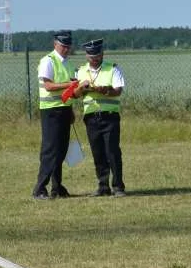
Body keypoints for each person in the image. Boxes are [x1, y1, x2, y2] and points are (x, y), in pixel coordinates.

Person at [73, 39, 126, 197]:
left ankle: (118, 187)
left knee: (112, 152)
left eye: (97, 56)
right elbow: (74, 94)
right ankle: (103, 186)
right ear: (86, 56)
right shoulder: (80, 71)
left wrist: (105, 90)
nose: (95, 59)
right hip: (91, 118)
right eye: (91, 56)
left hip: (109, 117)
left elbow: (118, 91)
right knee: (98, 153)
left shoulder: (113, 69)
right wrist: (81, 89)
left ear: (102, 54)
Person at [33, 30, 76, 200]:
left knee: (61, 150)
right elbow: (49, 86)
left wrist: (71, 110)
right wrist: (70, 84)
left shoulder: (68, 63)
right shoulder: (48, 61)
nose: (66, 49)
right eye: (63, 46)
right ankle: (40, 188)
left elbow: (71, 90)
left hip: (64, 109)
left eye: (68, 46)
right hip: (51, 110)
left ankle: (57, 187)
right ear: (55, 44)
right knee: (50, 150)